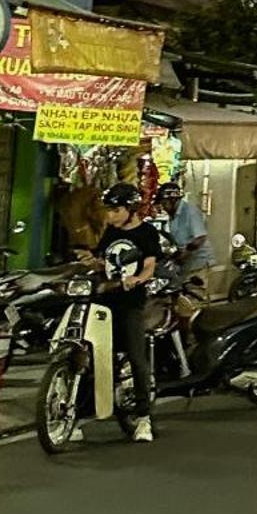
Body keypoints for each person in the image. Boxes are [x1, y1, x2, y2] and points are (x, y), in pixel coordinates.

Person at [96, 180, 163, 442]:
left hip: (131, 303)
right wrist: (92, 262)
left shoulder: (146, 234)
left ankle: (144, 418)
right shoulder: (110, 232)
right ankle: (75, 416)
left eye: (115, 211)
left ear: (130, 209)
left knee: (137, 358)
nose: (110, 216)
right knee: (91, 356)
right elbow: (103, 260)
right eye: (108, 211)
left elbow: (149, 266)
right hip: (104, 301)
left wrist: (138, 279)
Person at [155, 180, 214, 293]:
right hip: (185, 262)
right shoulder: (173, 215)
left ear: (173, 200)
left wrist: (184, 253)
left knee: (193, 296)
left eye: (164, 203)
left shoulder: (190, 212)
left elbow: (200, 238)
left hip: (198, 263)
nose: (163, 206)